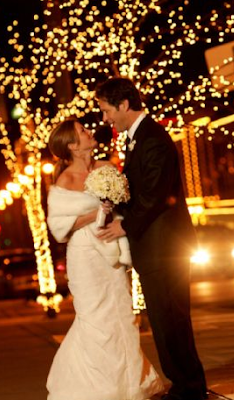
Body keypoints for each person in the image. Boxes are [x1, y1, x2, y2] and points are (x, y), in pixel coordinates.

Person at [96, 77, 208, 400]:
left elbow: (156, 194)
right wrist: (113, 200)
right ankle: (183, 384)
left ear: (124, 105)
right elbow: (141, 190)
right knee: (163, 320)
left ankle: (190, 388)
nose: (106, 118)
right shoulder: (136, 138)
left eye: (107, 111)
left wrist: (124, 225)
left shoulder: (153, 139)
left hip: (165, 247)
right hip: (155, 248)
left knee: (172, 319)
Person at [46, 118, 164, 400]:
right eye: (82, 132)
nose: (89, 132)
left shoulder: (107, 169)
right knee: (94, 319)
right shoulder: (64, 180)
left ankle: (131, 384)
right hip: (85, 256)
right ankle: (94, 388)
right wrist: (97, 211)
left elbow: (127, 205)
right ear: (73, 146)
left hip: (111, 250)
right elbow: (60, 228)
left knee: (122, 315)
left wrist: (116, 212)